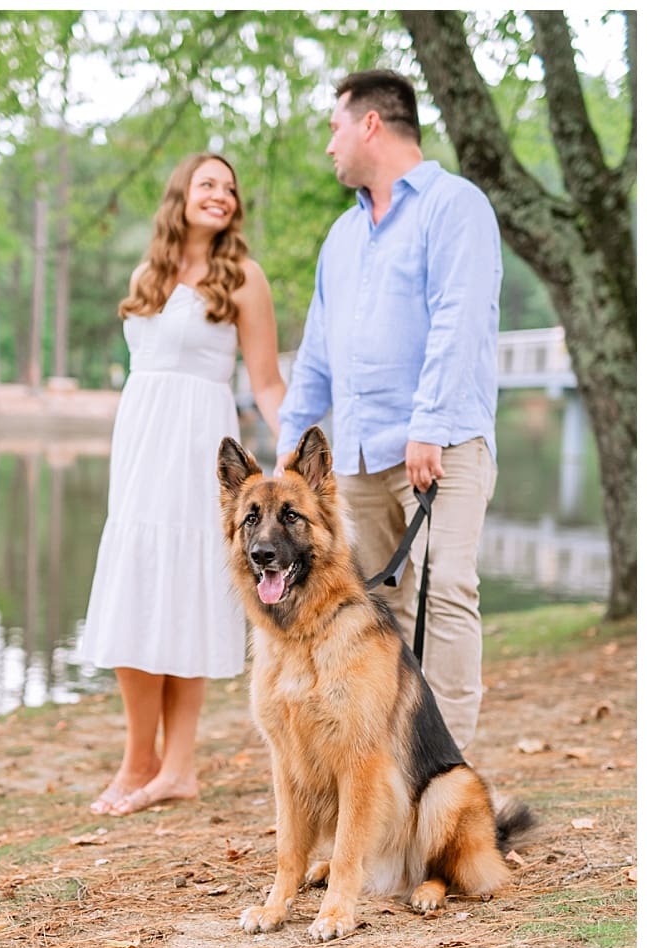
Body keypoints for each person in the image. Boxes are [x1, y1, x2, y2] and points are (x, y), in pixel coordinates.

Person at [276, 69, 501, 750]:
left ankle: (446, 772)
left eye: (334, 126)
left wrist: (428, 423)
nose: (329, 145)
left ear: (371, 123)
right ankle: (383, 775)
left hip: (442, 448)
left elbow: (457, 321)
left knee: (447, 595)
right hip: (361, 459)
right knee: (374, 614)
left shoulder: (454, 206)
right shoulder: (341, 239)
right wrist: (290, 449)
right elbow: (318, 350)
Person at [77, 153, 285, 816]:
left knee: (190, 589)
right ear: (181, 196)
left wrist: (294, 456)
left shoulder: (244, 279)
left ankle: (179, 765)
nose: (220, 194)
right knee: (138, 584)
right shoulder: (149, 274)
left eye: (229, 187)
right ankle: (138, 755)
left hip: (203, 444)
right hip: (142, 443)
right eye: (207, 184)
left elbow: (267, 382)